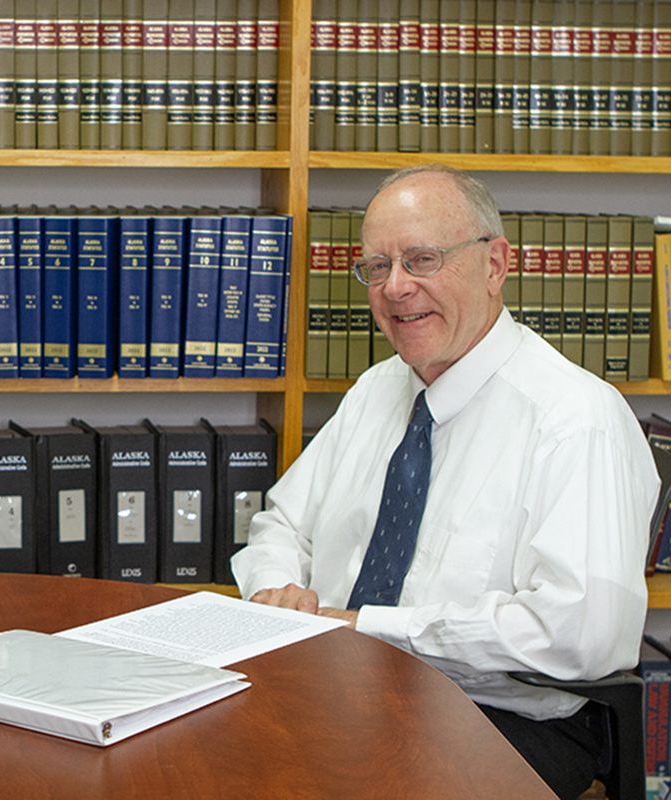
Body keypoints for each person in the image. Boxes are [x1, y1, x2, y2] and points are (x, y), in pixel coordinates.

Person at [231, 164, 659, 799]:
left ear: (495, 265)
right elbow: (282, 524)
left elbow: (580, 632)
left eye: (422, 260)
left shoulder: (576, 419)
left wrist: (366, 629)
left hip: (497, 719)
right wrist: (279, 594)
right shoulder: (377, 390)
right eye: (377, 267)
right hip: (333, 687)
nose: (395, 287)